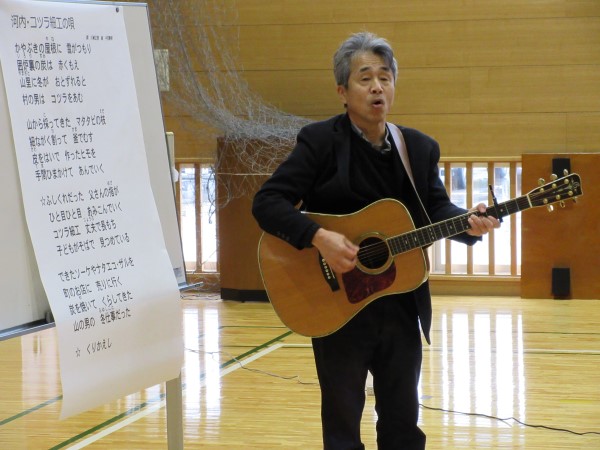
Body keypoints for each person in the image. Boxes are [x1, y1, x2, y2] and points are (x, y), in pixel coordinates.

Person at [252, 32, 500, 450]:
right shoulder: (319, 142)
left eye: (385, 77)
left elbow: (436, 208)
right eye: (365, 78)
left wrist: (467, 222)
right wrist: (319, 237)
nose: (377, 87)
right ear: (342, 91)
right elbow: (267, 202)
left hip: (400, 301)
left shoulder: (417, 148)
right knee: (342, 425)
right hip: (337, 302)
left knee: (402, 422)